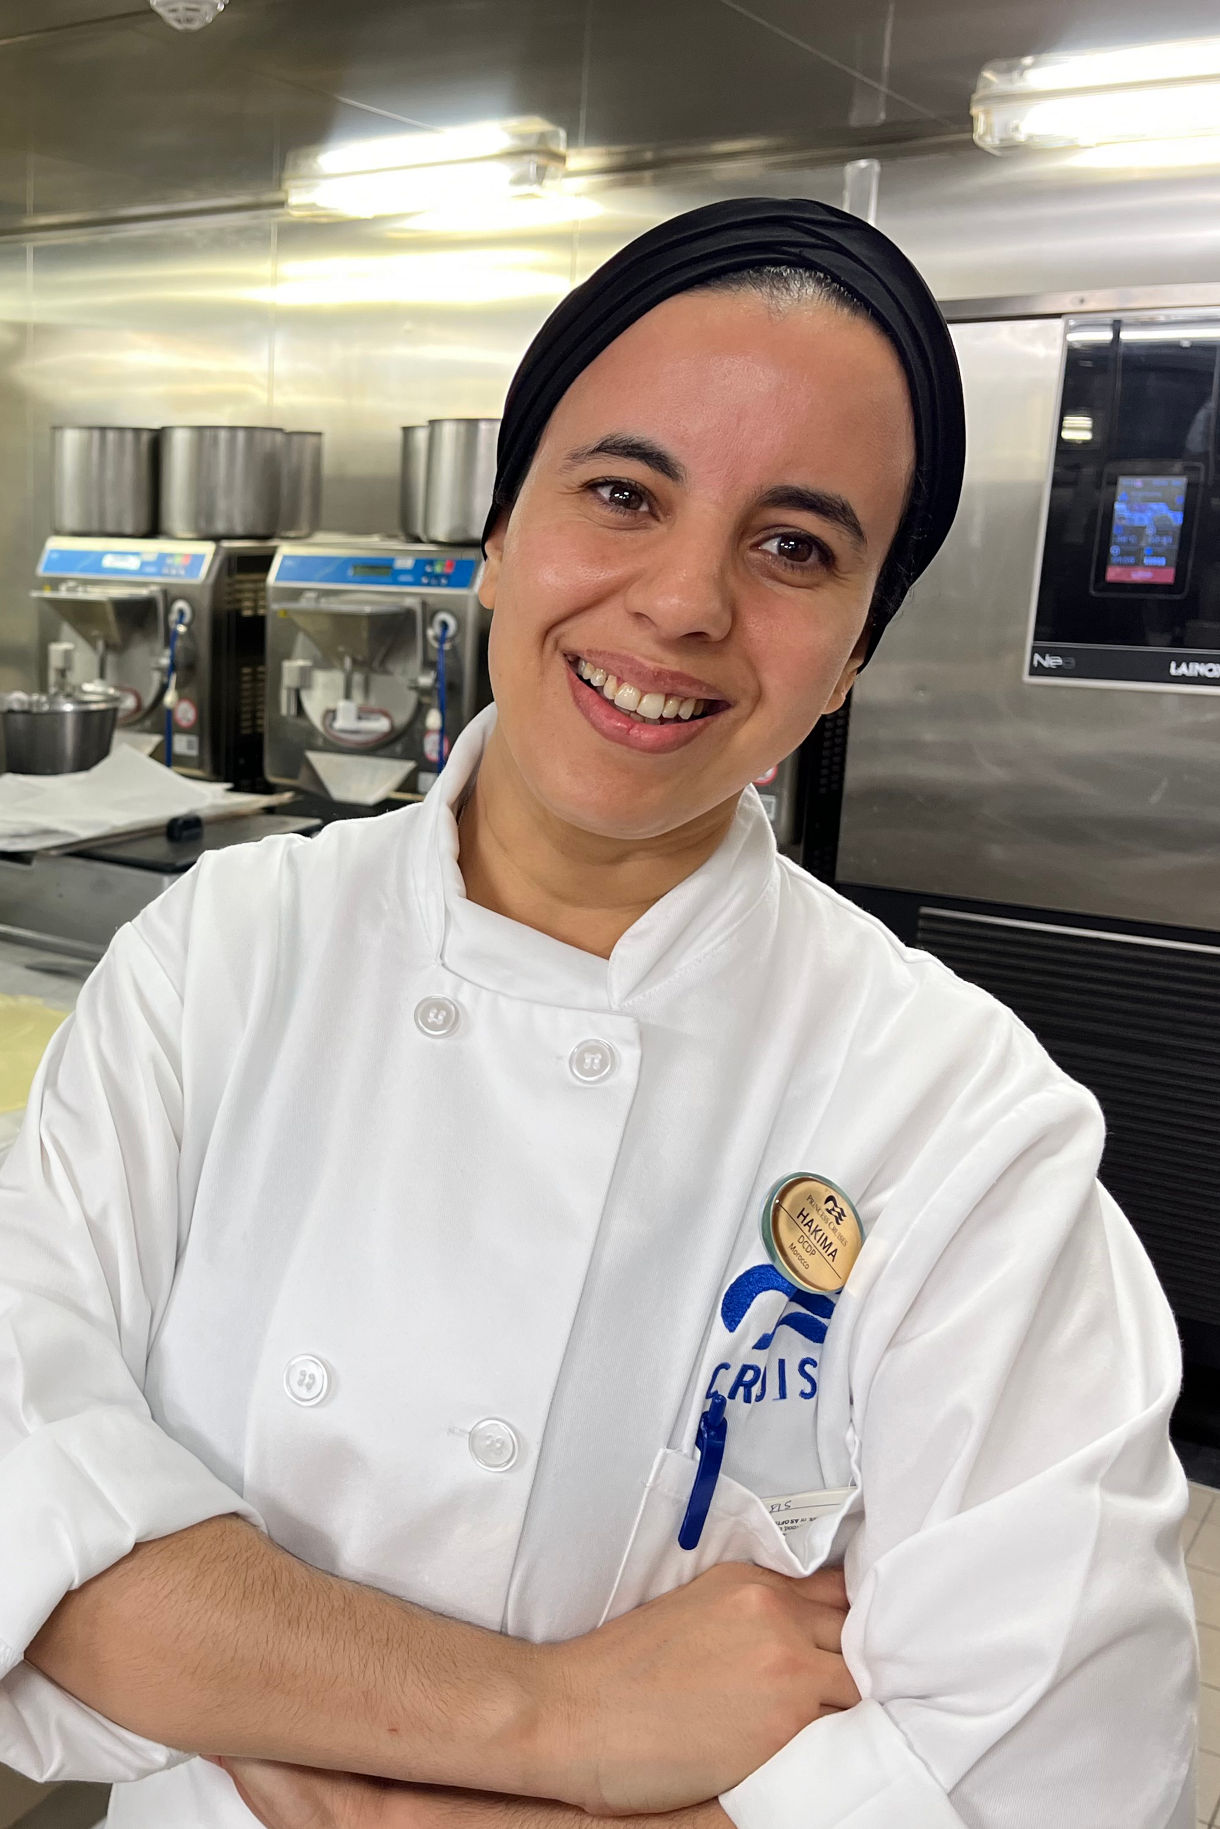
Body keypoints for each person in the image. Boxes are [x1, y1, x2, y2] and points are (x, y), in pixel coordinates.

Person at [0, 199, 1196, 1829]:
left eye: (796, 546)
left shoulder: (965, 1122)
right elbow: (22, 1513)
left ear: (850, 656)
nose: (685, 601)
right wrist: (550, 1719)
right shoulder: (223, 958)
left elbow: (1058, 1760)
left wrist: (254, 1689)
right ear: (498, 536)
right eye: (624, 491)